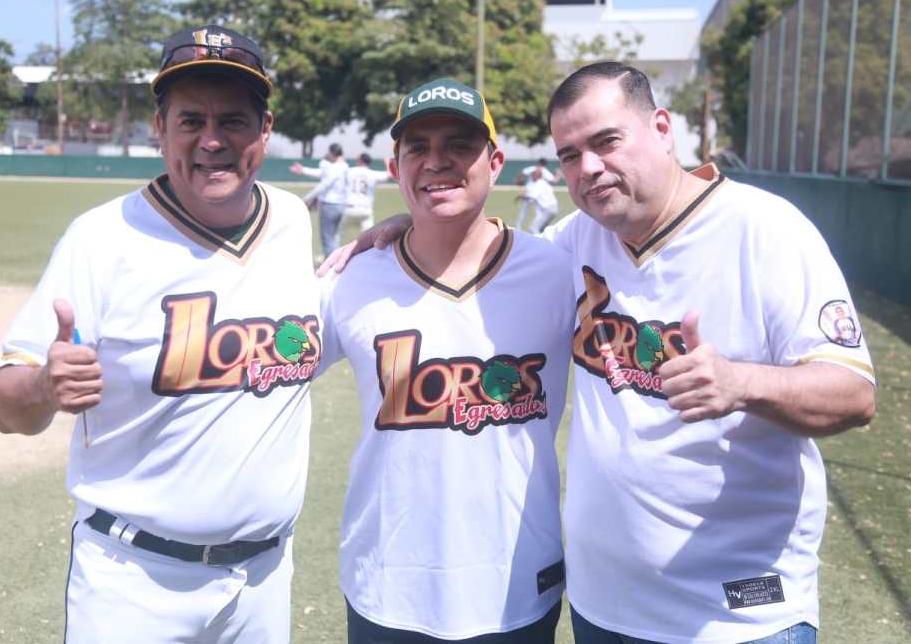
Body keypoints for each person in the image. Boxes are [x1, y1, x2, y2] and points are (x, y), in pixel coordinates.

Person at [321, 62, 877, 644]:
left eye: (607, 141)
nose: (588, 167)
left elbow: (854, 394)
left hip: (733, 614)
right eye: (570, 154)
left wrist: (743, 383)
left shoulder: (764, 229)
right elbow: (472, 246)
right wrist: (406, 223)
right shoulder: (575, 241)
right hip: (603, 606)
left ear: (661, 129)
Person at [0, 25, 321, 643]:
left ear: (265, 130)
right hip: (133, 582)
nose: (213, 140)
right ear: (160, 129)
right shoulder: (101, 238)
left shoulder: (292, 221)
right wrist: (42, 388)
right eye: (191, 120)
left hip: (264, 580)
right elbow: (6, 408)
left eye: (234, 120)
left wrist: (396, 232)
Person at [319, 77, 575, 642]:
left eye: (459, 145)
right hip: (385, 585)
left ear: (496, 163)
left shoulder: (558, 269)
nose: (437, 161)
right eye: (418, 147)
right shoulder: (351, 278)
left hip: (516, 584)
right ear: (395, 168)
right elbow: (259, 373)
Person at [292, 142, 350, 259]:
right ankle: (337, 261)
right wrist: (304, 170)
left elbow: (324, 184)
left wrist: (307, 198)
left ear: (332, 153)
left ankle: (332, 264)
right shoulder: (344, 166)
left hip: (330, 205)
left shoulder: (336, 167)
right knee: (334, 237)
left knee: (327, 238)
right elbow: (323, 174)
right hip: (341, 205)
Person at [341, 152, 391, 233]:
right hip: (366, 210)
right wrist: (387, 163)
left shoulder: (350, 171)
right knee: (369, 237)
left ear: (360, 160)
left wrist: (342, 158)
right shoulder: (372, 173)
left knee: (335, 235)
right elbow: (389, 175)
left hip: (350, 209)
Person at [514, 158, 561, 234]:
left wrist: (519, 197)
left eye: (533, 174)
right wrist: (557, 175)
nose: (531, 175)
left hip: (547, 209)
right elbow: (553, 182)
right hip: (550, 208)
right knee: (541, 229)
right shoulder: (543, 182)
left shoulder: (538, 184)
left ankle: (540, 241)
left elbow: (531, 197)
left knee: (533, 229)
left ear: (538, 176)